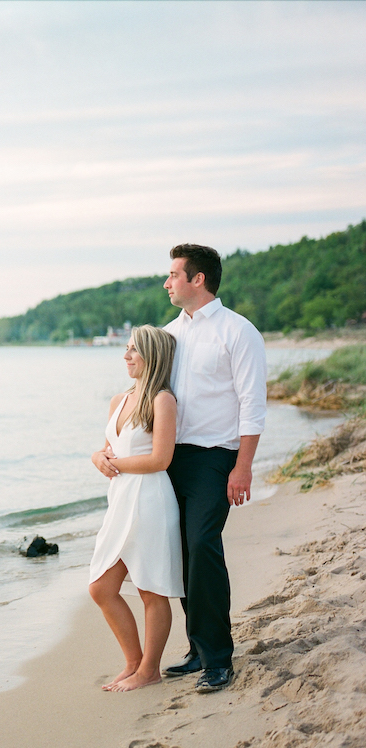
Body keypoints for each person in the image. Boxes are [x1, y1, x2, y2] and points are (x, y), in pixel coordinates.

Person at [159, 244, 267, 694]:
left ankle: (218, 659)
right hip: (168, 459)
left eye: (173, 275)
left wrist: (242, 467)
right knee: (179, 552)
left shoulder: (238, 331)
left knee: (203, 547)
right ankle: (198, 648)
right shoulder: (167, 333)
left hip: (214, 458)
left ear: (197, 279)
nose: (167, 283)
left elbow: (252, 404)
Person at [89, 325, 184, 692]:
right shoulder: (119, 400)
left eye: (133, 350)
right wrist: (98, 456)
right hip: (121, 500)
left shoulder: (162, 400)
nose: (126, 356)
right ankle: (133, 661)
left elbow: (161, 459)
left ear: (152, 355)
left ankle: (150, 670)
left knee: (151, 590)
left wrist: (115, 464)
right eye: (126, 349)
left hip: (149, 501)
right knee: (101, 588)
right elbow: (107, 448)